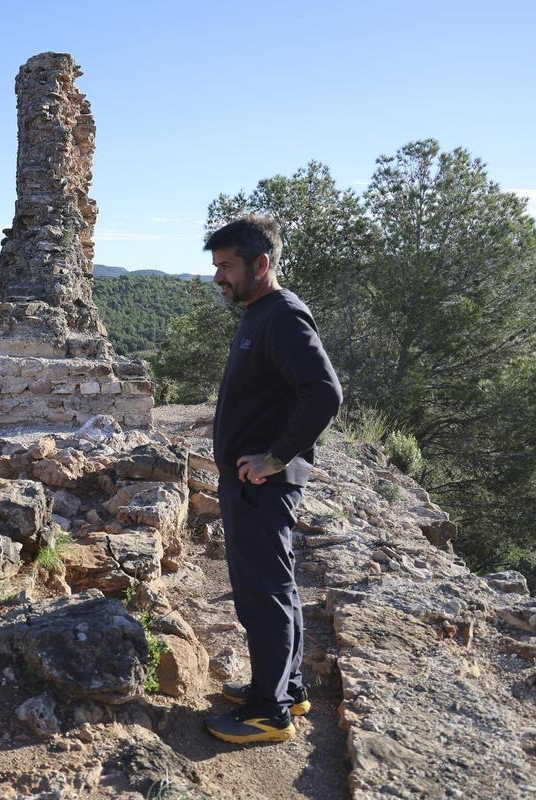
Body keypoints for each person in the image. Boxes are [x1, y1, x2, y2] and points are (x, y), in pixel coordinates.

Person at [203, 215, 342, 745]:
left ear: (262, 265)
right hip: (252, 482)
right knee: (274, 585)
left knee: (262, 591)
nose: (219, 277)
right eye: (216, 266)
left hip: (260, 484)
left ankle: (268, 712)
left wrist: (274, 459)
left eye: (227, 266)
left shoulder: (283, 316)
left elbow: (325, 394)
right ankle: (289, 686)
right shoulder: (259, 311)